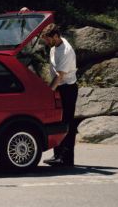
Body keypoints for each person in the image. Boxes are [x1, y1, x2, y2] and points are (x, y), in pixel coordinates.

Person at [21, 9, 78, 167]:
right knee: (57, 120)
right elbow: (42, 24)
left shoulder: (66, 51)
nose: (46, 42)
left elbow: (60, 76)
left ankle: (66, 158)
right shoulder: (55, 44)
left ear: (55, 36)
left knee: (66, 122)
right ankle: (57, 155)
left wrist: (48, 93)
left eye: (48, 40)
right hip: (59, 86)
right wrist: (29, 13)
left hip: (67, 88)